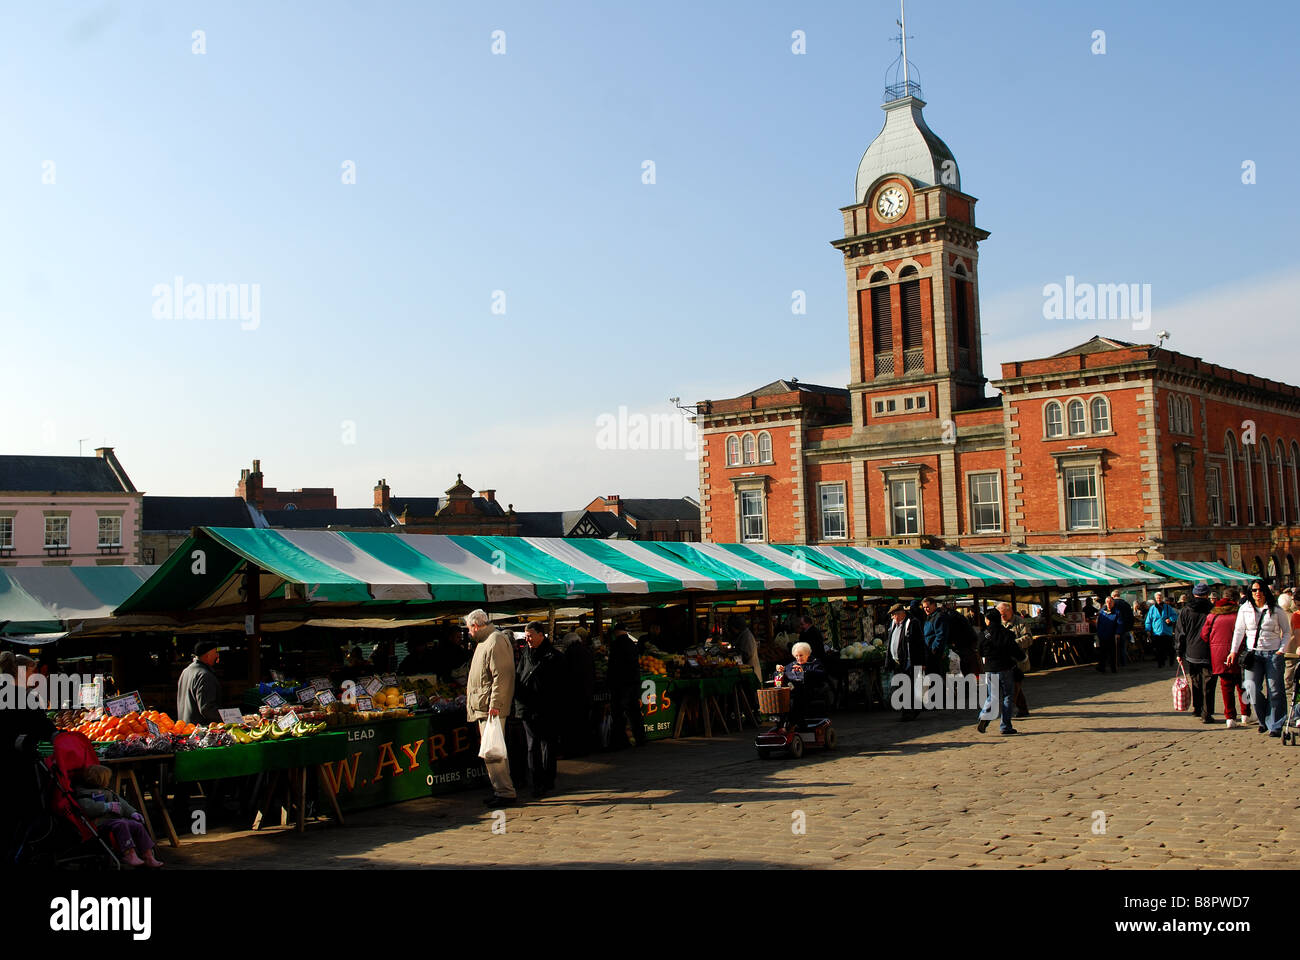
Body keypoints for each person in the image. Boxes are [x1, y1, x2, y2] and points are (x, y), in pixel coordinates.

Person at [464, 609, 517, 806]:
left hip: (490, 708)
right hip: (484, 706)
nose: (469, 632)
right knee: (491, 751)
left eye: (469, 629)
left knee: (493, 751)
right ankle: (500, 789)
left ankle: (505, 792)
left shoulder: (495, 640)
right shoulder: (484, 642)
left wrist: (495, 704)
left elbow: (502, 676)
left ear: (476, 626)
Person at [1229, 580, 1292, 736]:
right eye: (1254, 590)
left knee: (1275, 690)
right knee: (1251, 688)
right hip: (1253, 654)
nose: (1258, 593)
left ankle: (1275, 725)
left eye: (1260, 590)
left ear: (1265, 591)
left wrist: (1281, 650)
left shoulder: (1276, 610)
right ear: (1250, 592)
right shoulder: (1244, 609)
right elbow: (1238, 631)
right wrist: (1233, 651)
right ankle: (1264, 719)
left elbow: (1287, 631)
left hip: (1273, 654)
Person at [75, 765, 162, 868]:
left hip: (113, 820)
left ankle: (148, 855)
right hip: (99, 823)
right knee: (121, 823)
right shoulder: (84, 794)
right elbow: (88, 808)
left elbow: (122, 803)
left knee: (137, 825)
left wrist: (132, 813)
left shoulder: (107, 791)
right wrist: (107, 806)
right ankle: (129, 853)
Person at [514, 623, 565, 798]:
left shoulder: (554, 656)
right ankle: (537, 782)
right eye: (525, 636)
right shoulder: (526, 654)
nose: (527, 639)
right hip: (528, 708)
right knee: (532, 745)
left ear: (541, 635)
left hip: (547, 707)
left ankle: (548, 779)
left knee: (547, 744)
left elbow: (560, 685)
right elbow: (519, 676)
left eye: (530, 635)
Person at [1202, 591, 1250, 726]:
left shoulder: (1212, 615)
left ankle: (1230, 717)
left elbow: (1204, 635)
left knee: (1226, 686)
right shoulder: (1239, 614)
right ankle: (1245, 714)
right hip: (1239, 653)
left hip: (1219, 655)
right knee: (1243, 685)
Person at [1175, 583, 1215, 723]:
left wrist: (1179, 651)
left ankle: (1197, 708)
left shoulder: (1186, 610)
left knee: (1196, 680)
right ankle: (1206, 712)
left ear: (1194, 594)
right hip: (1209, 650)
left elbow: (1180, 632)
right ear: (1207, 594)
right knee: (1208, 682)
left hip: (1192, 651)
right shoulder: (1212, 609)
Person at [975, 609, 1018, 735]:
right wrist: (1022, 658)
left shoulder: (984, 634)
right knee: (1007, 696)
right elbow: (1014, 650)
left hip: (990, 668)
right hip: (1006, 668)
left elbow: (980, 651)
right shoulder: (1007, 633)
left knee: (992, 696)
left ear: (988, 620)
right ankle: (1005, 726)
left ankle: (985, 716)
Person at [606, 622, 646, 748]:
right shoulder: (631, 644)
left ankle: (621, 740)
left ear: (616, 632)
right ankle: (641, 738)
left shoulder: (616, 644)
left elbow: (613, 665)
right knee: (634, 711)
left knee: (619, 712)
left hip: (621, 683)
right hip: (633, 681)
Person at [775, 641, 827, 731]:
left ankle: (792, 723)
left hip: (811, 691)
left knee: (798, 698)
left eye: (801, 655)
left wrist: (804, 672)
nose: (798, 658)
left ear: (808, 654)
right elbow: (777, 676)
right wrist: (779, 671)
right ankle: (783, 723)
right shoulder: (792, 664)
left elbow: (821, 675)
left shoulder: (815, 663)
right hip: (794, 692)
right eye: (796, 656)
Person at [885, 602, 924, 720]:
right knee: (902, 687)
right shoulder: (894, 624)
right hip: (897, 662)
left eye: (894, 615)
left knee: (907, 687)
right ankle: (913, 710)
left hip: (909, 662)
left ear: (901, 614)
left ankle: (908, 712)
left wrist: (922, 662)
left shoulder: (912, 623)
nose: (892, 617)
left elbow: (920, 644)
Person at [562, 625, 596, 757]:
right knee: (585, 721)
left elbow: (567, 674)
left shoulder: (569, 653)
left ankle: (576, 749)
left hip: (574, 694)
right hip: (587, 692)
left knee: (575, 723)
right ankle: (586, 747)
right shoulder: (587, 651)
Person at [996, 602, 1031, 718]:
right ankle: (1023, 709)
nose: (1002, 617)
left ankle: (1007, 713)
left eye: (1004, 615)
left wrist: (1013, 644)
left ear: (1009, 612)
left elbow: (1028, 639)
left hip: (1018, 661)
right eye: (1000, 615)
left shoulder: (1021, 622)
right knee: (1014, 687)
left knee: (1014, 688)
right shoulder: (998, 624)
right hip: (1005, 661)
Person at [176, 640, 223, 726]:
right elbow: (207, 709)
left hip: (185, 726)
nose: (217, 655)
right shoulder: (205, 675)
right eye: (215, 652)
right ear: (207, 655)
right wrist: (230, 718)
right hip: (200, 730)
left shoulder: (186, 671)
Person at [1145, 592, 1177, 668]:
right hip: (1157, 632)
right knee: (1158, 649)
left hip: (1167, 631)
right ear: (1155, 599)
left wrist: (1170, 619)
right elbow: (1148, 621)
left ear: (1162, 598)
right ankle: (1160, 663)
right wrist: (1148, 630)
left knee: (1170, 649)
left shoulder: (1168, 607)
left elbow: (1175, 615)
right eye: (1157, 598)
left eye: (1160, 598)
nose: (1158, 599)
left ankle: (1171, 662)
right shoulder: (1152, 608)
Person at [727, 614, 763, 683]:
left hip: (751, 673)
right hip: (748, 672)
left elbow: (747, 654)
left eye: (732, 628)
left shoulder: (746, 637)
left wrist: (733, 655)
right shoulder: (743, 635)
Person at [1095, 596, 1123, 673]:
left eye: (1110, 602)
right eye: (1107, 602)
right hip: (1103, 635)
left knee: (1112, 653)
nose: (1109, 603)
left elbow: (1120, 623)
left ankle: (1113, 668)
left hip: (1112, 635)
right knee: (1102, 652)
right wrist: (1099, 633)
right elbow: (1099, 623)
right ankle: (1102, 667)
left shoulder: (1117, 612)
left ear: (1113, 603)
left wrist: (1118, 633)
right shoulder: (1102, 612)